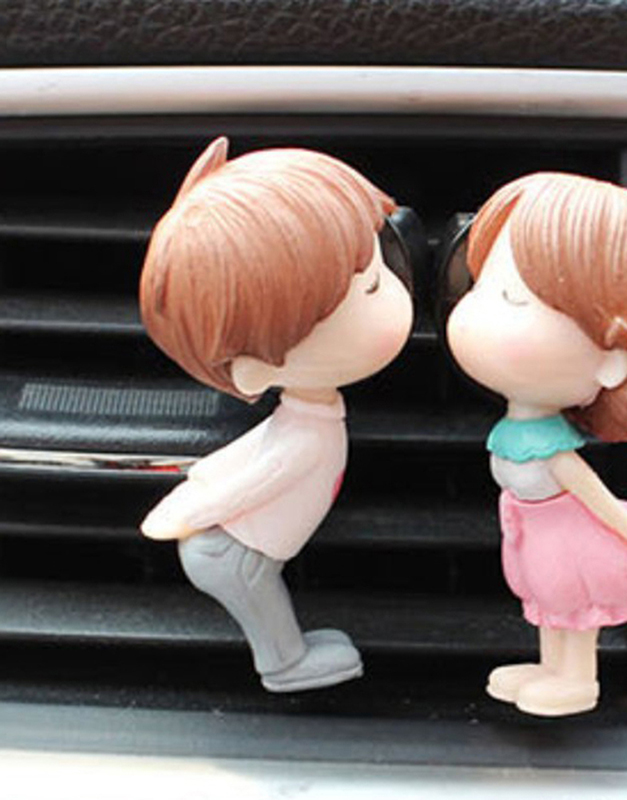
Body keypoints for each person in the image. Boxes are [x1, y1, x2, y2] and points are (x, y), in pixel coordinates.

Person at [139, 137, 413, 691]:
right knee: (262, 599)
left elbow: (255, 448)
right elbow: (262, 476)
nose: (395, 292)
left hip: (234, 543)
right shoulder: (306, 438)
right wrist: (192, 508)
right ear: (251, 374)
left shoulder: (302, 418)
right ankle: (285, 664)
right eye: (370, 288)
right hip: (231, 552)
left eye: (376, 272)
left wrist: (202, 476)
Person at [446, 172, 627, 716]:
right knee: (549, 605)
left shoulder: (555, 452)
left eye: (512, 298)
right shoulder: (519, 433)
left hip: (569, 540)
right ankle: (550, 668)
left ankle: (577, 679)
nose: (474, 313)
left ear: (615, 362)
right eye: (480, 287)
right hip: (534, 535)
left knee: (572, 608)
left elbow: (596, 498)